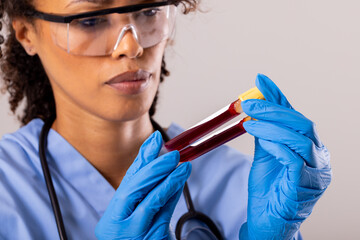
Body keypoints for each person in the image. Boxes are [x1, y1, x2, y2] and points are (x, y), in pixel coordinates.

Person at [0, 0, 331, 239]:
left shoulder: (241, 185)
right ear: (27, 33)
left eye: (148, 12)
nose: (131, 47)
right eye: (90, 19)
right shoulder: (7, 192)